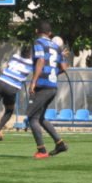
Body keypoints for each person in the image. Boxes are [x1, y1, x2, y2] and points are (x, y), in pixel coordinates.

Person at [28, 20, 69, 158]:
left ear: (36, 31)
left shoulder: (38, 42)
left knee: (31, 117)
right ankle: (60, 143)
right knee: (40, 118)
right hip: (52, 86)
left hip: (42, 86)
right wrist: (52, 72)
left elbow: (40, 60)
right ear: (50, 33)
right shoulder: (57, 47)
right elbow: (64, 68)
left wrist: (33, 81)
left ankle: (41, 150)